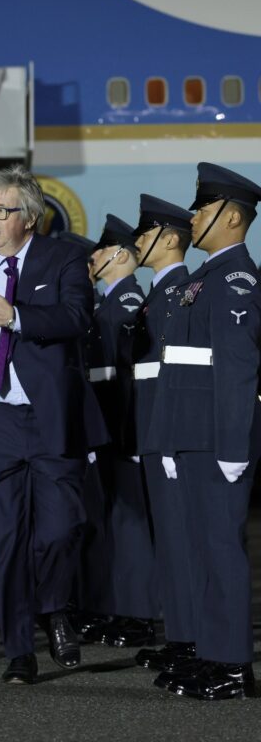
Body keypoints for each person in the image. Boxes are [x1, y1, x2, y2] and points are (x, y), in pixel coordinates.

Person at [0, 165, 96, 685]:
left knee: (60, 529)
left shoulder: (64, 259)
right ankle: (18, 650)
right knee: (3, 543)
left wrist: (16, 317)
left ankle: (55, 606)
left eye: (2, 210)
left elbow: (76, 317)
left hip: (48, 417)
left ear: (29, 217)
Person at [149, 163, 261, 701]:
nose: (192, 217)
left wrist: (234, 445)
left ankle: (234, 667)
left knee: (221, 550)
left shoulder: (236, 279)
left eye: (203, 208)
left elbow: (237, 368)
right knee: (202, 548)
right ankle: (214, 654)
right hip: (192, 436)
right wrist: (171, 440)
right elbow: (181, 368)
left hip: (218, 439)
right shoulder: (204, 278)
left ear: (232, 217)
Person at [78, 217, 156, 649]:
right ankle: (115, 607)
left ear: (121, 255)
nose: (93, 257)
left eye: (101, 250)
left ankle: (138, 614)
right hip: (107, 427)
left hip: (123, 428)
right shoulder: (106, 303)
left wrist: (130, 435)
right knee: (111, 520)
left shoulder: (127, 303)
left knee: (130, 526)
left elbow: (130, 379)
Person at [127, 194, 195, 674]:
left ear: (170, 240)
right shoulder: (159, 293)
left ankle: (190, 638)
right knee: (168, 541)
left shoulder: (180, 293)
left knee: (180, 540)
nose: (138, 241)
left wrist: (167, 438)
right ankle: (180, 635)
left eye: (146, 233)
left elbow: (180, 377)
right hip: (151, 431)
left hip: (167, 433)